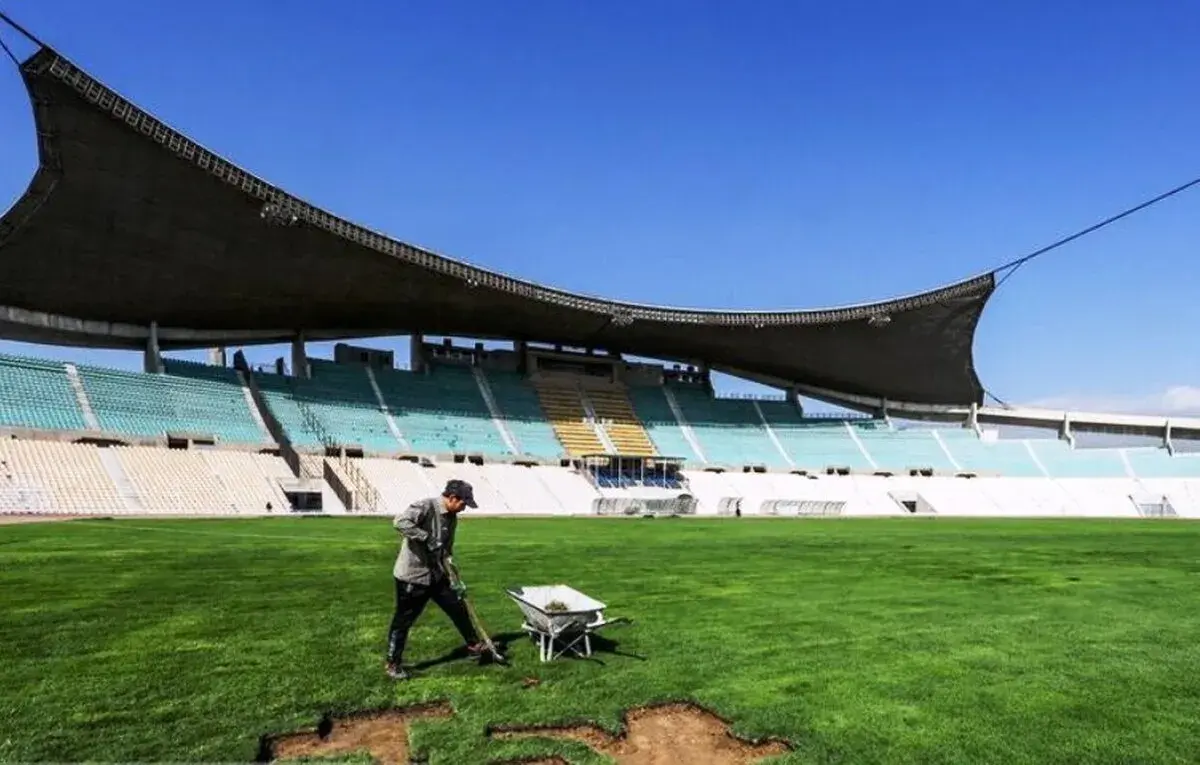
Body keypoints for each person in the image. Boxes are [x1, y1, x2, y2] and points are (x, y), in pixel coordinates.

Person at [385, 479, 484, 680]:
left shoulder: (452, 517)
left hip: (437, 575)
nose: (464, 508)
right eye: (463, 503)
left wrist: (454, 576)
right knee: (403, 621)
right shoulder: (425, 506)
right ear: (453, 498)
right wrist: (426, 538)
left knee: (458, 608)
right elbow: (400, 522)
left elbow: (446, 549)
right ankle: (393, 663)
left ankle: (474, 646)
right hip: (413, 576)